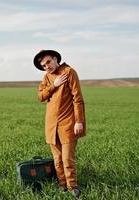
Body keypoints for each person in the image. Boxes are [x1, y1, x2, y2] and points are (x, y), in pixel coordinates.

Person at [33, 50, 86, 198]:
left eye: (48, 62)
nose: (47, 67)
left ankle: (72, 186)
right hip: (51, 125)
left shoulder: (69, 72)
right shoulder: (46, 78)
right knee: (57, 160)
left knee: (67, 158)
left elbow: (78, 99)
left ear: (55, 59)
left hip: (68, 123)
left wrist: (79, 121)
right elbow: (40, 97)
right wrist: (54, 85)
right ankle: (62, 185)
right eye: (43, 65)